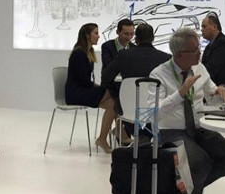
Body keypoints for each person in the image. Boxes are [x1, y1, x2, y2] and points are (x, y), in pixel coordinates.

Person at [148, 27, 225, 194]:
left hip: (199, 127)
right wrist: (179, 94)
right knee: (200, 162)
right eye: (195, 50)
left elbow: (212, 95)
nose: (200, 53)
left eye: (200, 48)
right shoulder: (159, 74)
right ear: (179, 54)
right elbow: (153, 113)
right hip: (171, 131)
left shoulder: (200, 68)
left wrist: (220, 92)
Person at [66, 23, 117, 154]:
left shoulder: (88, 53)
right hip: (75, 93)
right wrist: (100, 88)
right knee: (113, 92)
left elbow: (86, 81)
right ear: (87, 35)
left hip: (83, 90)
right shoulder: (79, 54)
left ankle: (102, 138)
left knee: (113, 104)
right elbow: (84, 81)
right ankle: (121, 133)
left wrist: (99, 88)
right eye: (96, 33)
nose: (98, 36)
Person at [101, 22, 171, 116]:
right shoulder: (165, 58)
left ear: (136, 39)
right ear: (153, 38)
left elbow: (105, 77)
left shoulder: (124, 55)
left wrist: (116, 95)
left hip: (127, 107)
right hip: (156, 109)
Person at [201, 13, 225, 96]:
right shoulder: (210, 45)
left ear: (214, 27)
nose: (201, 30)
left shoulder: (223, 44)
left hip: (220, 89)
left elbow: (211, 70)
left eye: (204, 26)